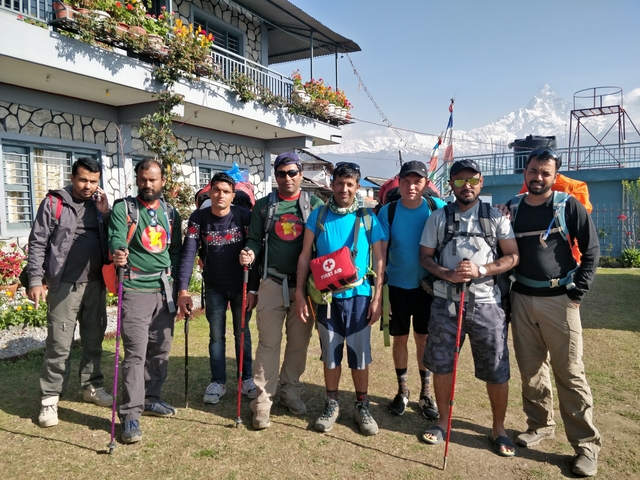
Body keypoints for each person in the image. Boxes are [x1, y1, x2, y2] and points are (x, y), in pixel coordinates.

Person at [507, 148, 601, 477]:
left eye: (546, 173)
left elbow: (591, 250)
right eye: (533, 171)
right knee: (531, 369)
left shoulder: (567, 205)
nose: (538, 178)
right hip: (521, 297)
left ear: (554, 175)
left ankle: (586, 446)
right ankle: (539, 425)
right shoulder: (513, 209)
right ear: (525, 173)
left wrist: (578, 292)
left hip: (560, 300)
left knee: (570, 373)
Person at [419, 159, 519, 456]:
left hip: (487, 304)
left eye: (472, 180)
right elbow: (425, 257)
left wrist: (483, 270)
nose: (467, 186)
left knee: (496, 368)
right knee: (441, 364)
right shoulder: (438, 217)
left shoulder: (496, 217)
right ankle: (442, 421)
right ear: (451, 184)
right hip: (446, 302)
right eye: (460, 181)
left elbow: (512, 256)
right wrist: (448, 274)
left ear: (481, 181)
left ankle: (498, 428)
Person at [295, 162, 385, 436]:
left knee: (359, 355)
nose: (344, 189)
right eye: (340, 183)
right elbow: (304, 255)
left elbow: (380, 259)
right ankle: (331, 403)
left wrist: (378, 297)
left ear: (357, 187)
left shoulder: (369, 218)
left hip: (359, 297)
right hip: (327, 299)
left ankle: (362, 406)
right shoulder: (318, 216)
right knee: (331, 355)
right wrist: (299, 293)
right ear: (332, 185)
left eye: (350, 184)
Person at [239, 152, 323, 430]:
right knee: (268, 344)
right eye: (281, 173)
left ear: (301, 174)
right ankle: (262, 402)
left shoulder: (315, 205)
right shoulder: (263, 207)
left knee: (299, 344)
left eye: (292, 172)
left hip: (305, 288)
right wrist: (249, 251)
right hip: (272, 283)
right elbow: (254, 239)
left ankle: (291, 390)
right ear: (275, 176)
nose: (287, 178)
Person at [27, 157, 113, 428]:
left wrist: (107, 213)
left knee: (93, 340)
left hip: (96, 284)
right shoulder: (55, 203)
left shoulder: (100, 205)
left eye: (94, 181)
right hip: (64, 284)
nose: (88, 186)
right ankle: (50, 399)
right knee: (59, 344)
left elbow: (114, 238)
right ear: (73, 177)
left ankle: (91, 386)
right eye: (83, 180)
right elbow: (38, 241)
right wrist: (35, 279)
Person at [109, 159, 182, 444]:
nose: (147, 184)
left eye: (152, 180)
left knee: (161, 350)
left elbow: (175, 250)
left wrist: (177, 284)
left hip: (164, 289)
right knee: (135, 354)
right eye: (142, 179)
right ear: (137, 179)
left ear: (163, 181)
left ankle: (152, 398)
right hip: (135, 288)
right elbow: (116, 237)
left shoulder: (170, 212)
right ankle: (130, 416)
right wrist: (118, 252)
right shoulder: (124, 208)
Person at [177, 172, 260, 405]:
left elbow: (254, 251)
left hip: (241, 285)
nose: (220, 195)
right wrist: (183, 289)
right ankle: (218, 381)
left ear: (233, 195)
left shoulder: (244, 216)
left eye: (226, 191)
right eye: (216, 190)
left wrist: (253, 288)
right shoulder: (198, 218)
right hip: (214, 286)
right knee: (216, 336)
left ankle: (246, 379)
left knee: (242, 333)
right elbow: (188, 253)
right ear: (209, 192)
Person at [377, 161, 445, 419]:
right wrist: (380, 284)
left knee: (423, 339)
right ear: (400, 182)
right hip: (396, 286)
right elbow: (381, 251)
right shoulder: (389, 211)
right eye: (406, 181)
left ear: (426, 184)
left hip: (428, 287)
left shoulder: (436, 208)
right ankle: (402, 390)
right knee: (400, 338)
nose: (411, 186)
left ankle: (425, 393)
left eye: (417, 181)